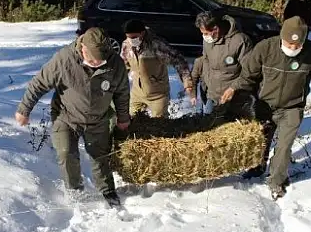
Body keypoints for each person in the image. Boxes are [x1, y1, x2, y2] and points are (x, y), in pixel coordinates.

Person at [220, 16, 311, 200]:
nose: (292, 48)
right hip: (264, 105)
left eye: (297, 45)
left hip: (292, 107)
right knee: (261, 141)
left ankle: (276, 181)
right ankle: (257, 167)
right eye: (288, 43)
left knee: (284, 147)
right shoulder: (265, 48)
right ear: (281, 37)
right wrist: (234, 88)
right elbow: (248, 76)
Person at [15, 27, 131, 208]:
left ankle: (107, 190)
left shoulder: (115, 63)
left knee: (99, 156)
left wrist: (123, 117)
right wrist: (24, 110)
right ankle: (74, 190)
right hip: (66, 115)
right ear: (82, 47)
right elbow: (39, 83)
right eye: (93, 59)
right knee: (66, 152)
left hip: (98, 118)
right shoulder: (64, 59)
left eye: (100, 59)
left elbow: (122, 92)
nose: (96, 63)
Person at [120, 19, 193, 118]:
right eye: (128, 37)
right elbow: (123, 65)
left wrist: (187, 83)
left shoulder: (156, 45)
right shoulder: (126, 45)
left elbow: (179, 61)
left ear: (142, 33)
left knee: (159, 123)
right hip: (137, 93)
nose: (131, 40)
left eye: (134, 37)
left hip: (158, 95)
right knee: (133, 121)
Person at [192, 9, 255, 119]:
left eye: (206, 33)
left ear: (216, 29)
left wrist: (233, 88)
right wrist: (205, 83)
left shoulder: (240, 41)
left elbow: (250, 71)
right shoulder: (207, 41)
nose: (204, 36)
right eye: (202, 34)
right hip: (211, 96)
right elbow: (205, 61)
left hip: (233, 99)